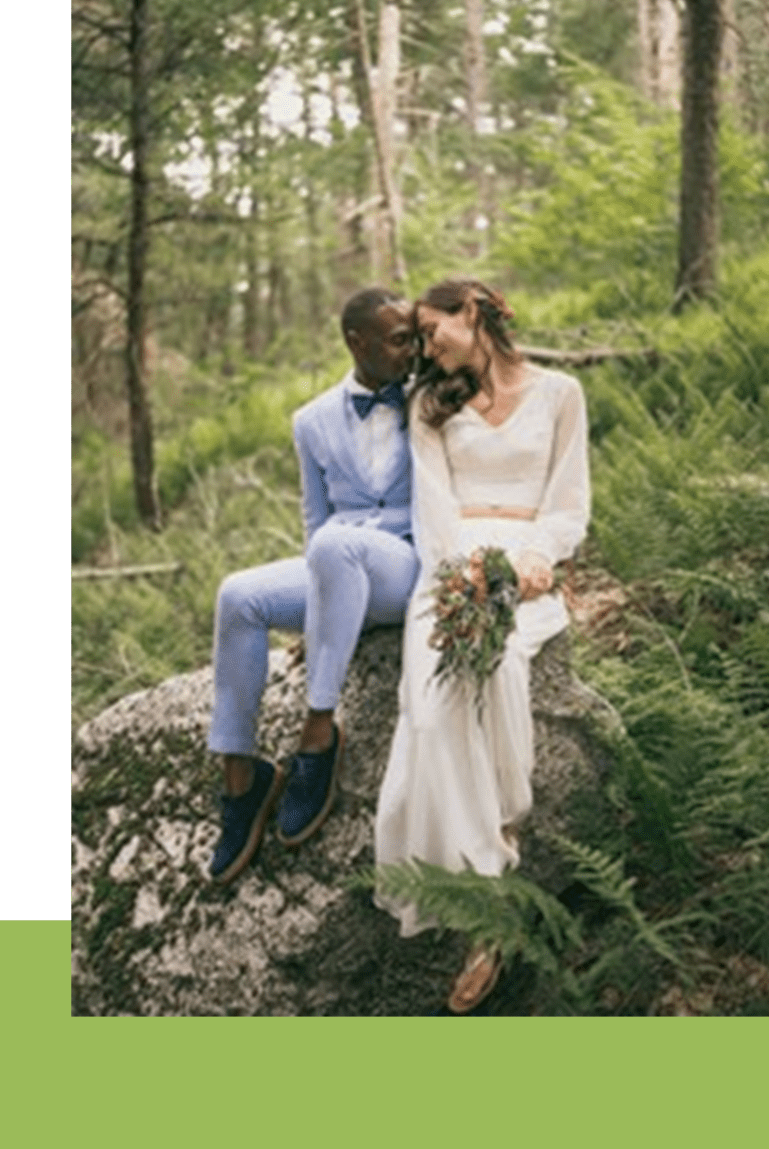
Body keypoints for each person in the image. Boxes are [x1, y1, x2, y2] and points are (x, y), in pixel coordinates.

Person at [374, 278, 590, 1013]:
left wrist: (535, 561)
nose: (425, 347)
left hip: (527, 562)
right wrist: (460, 571)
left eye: (433, 330)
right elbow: (432, 509)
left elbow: (569, 503)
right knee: (430, 712)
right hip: (455, 562)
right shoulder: (428, 406)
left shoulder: (561, 393)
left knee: (497, 660)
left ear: (473, 313)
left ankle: (485, 907)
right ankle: (493, 879)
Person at [208, 287, 419, 884]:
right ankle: (242, 777)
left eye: (413, 337)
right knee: (239, 595)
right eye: (399, 338)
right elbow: (314, 520)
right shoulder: (312, 420)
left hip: (403, 567)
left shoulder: (429, 399)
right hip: (337, 566)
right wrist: (324, 610)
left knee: (334, 545)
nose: (412, 349)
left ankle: (319, 729)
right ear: (358, 342)